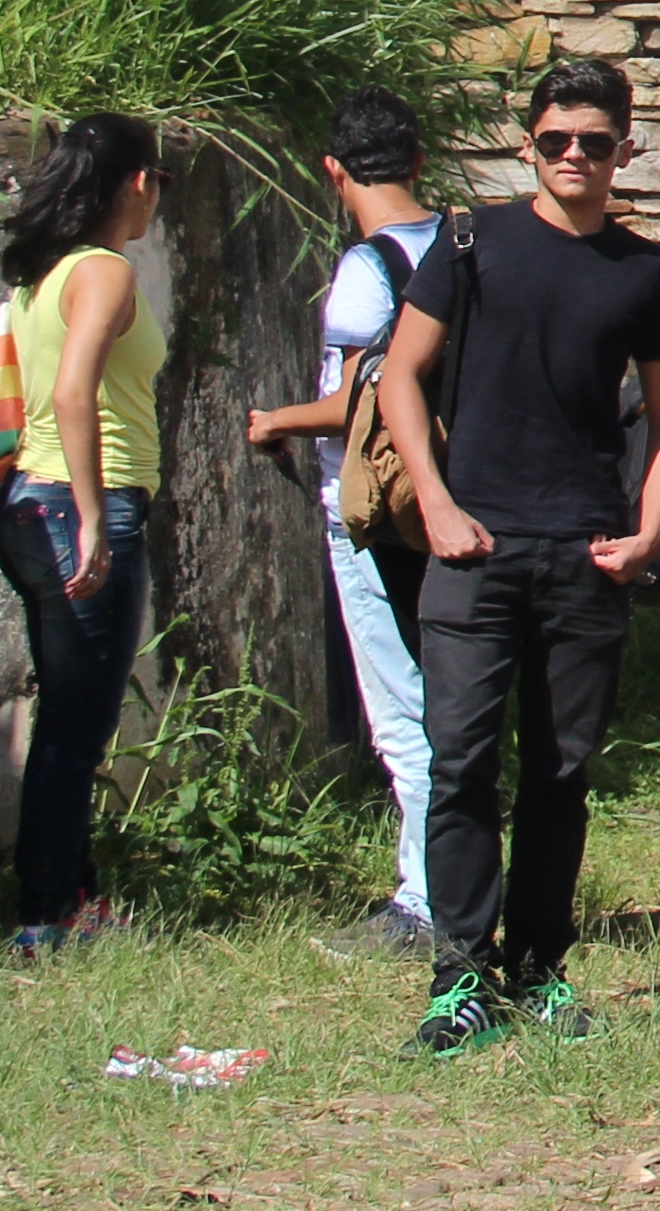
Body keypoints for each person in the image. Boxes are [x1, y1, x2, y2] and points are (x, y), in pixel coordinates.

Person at [382, 56, 660, 1055]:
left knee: (561, 769)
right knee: (461, 760)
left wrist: (649, 529)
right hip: (473, 544)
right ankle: (459, 975)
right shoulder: (469, 241)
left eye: (593, 142)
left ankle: (538, 966)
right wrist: (436, 501)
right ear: (529, 145)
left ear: (623, 152)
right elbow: (399, 377)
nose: (573, 156)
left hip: (583, 550)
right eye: (556, 139)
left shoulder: (643, 271)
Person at [244, 87, 444, 960]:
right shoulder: (457, 244)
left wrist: (279, 420)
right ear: (418, 159)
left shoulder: (371, 267)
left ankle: (425, 901)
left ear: (334, 170)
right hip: (447, 504)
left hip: (373, 510)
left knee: (403, 713)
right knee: (447, 698)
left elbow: (366, 400)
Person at [0, 112, 166, 953]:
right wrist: (94, 515)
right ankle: (52, 909)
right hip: (80, 504)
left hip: (32, 499)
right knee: (77, 725)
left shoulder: (44, 271)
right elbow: (71, 391)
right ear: (139, 181)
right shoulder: (103, 270)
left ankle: (68, 898)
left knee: (67, 718)